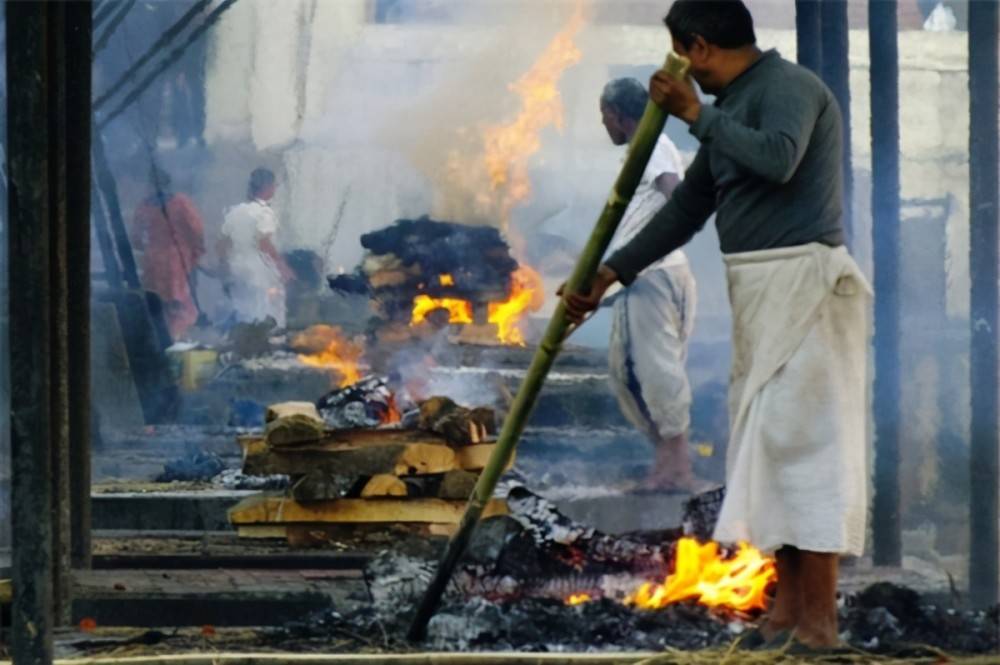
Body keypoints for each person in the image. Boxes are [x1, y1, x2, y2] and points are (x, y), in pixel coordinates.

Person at [562, 0, 870, 652]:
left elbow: (779, 158)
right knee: (770, 449)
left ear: (698, 48)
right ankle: (787, 612)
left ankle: (822, 625)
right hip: (759, 292)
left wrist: (697, 116)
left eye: (680, 53)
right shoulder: (729, 110)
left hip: (807, 285)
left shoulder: (789, 89)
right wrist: (609, 274)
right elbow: (688, 210)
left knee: (808, 450)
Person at [599, 77, 699, 492]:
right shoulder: (649, 148)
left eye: (604, 116)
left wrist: (643, 253)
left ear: (620, 117)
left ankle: (676, 468)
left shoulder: (651, 146)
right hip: (650, 274)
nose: (604, 125)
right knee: (631, 372)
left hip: (652, 275)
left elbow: (675, 197)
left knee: (652, 371)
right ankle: (667, 464)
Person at [130, 166, 206, 339]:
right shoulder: (181, 202)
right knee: (178, 306)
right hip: (177, 262)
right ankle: (176, 342)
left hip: (152, 262)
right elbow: (196, 230)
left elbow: (135, 238)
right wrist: (197, 251)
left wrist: (150, 248)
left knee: (157, 306)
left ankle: (159, 341)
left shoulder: (144, 206)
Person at [219, 168, 294, 329]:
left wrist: (224, 269)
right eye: (274, 185)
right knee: (266, 313)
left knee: (242, 311)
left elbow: (222, 245)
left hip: (237, 270)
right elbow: (264, 243)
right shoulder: (264, 213)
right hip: (258, 272)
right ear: (267, 187)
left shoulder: (235, 212)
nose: (275, 189)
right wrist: (283, 268)